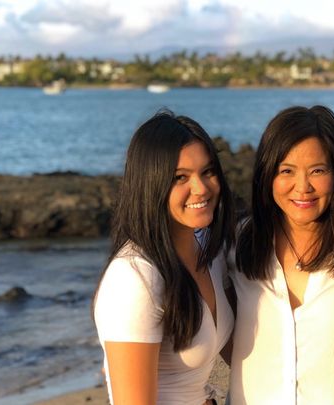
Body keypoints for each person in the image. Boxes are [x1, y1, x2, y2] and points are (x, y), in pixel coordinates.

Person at [228, 105, 334, 404]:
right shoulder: (237, 245)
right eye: (286, 171)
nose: (302, 187)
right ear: (267, 176)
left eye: (318, 171)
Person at [93, 110, 235, 404]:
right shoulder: (134, 278)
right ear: (151, 184)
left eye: (208, 172)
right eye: (180, 177)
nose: (201, 188)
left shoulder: (211, 254)